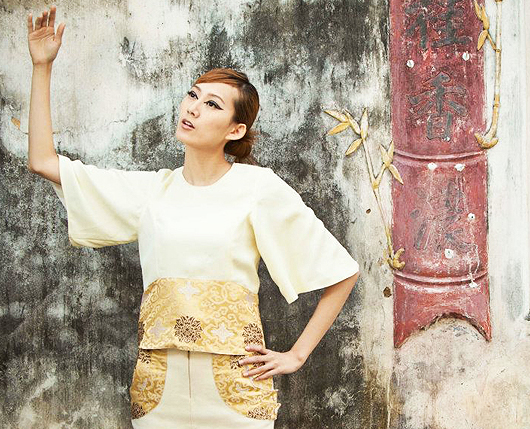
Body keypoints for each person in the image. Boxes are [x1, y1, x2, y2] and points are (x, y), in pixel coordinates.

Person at [26, 5, 360, 429]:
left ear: (235, 130)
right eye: (192, 95)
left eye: (212, 104)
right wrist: (42, 67)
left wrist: (296, 355)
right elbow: (43, 161)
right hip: (158, 393)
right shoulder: (152, 191)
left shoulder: (258, 187)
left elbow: (342, 272)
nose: (193, 108)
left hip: (237, 394)